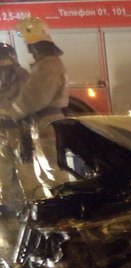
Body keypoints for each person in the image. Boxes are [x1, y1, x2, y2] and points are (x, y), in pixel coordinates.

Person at [0, 17, 71, 200]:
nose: (28, 47)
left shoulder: (48, 64)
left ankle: (65, 206)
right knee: (46, 172)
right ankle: (60, 205)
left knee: (52, 171)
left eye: (28, 43)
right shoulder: (46, 64)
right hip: (41, 123)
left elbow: (35, 96)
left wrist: (12, 114)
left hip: (46, 122)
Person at [0, 42, 40, 214]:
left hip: (7, 129)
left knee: (4, 170)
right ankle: (33, 204)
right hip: (19, 129)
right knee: (25, 168)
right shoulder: (22, 74)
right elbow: (30, 101)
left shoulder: (20, 74)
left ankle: (4, 204)